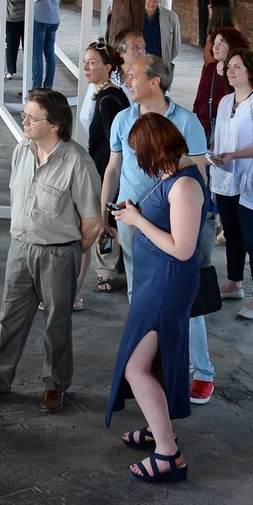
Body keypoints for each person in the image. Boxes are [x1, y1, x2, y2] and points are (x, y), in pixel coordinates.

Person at [0, 89, 101, 413]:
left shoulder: (77, 163)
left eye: (31, 117)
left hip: (58, 254)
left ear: (55, 125)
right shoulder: (22, 151)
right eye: (25, 114)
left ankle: (55, 385)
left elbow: (92, 223)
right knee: (10, 317)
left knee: (57, 323)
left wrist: (67, 252)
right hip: (20, 247)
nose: (23, 120)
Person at [101, 55, 218, 405]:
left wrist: (200, 219)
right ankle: (151, 365)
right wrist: (105, 210)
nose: (127, 81)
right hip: (131, 218)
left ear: (156, 82)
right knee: (140, 296)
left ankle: (202, 371)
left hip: (171, 221)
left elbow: (199, 174)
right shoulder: (123, 119)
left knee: (185, 300)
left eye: (133, 76)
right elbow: (113, 168)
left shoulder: (186, 122)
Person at [105, 112, 205, 484]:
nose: (137, 160)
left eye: (138, 153)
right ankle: (156, 426)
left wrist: (138, 221)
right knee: (155, 360)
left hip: (167, 282)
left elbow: (182, 248)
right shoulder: (171, 175)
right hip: (154, 279)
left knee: (137, 366)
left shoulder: (184, 186)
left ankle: (168, 453)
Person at [210, 49, 253, 320]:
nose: (231, 71)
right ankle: (234, 282)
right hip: (225, 177)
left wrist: (235, 155)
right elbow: (220, 137)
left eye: (237, 67)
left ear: (251, 71)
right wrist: (214, 153)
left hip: (249, 179)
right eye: (230, 67)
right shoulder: (226, 101)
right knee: (232, 233)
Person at [80, 41, 128, 297]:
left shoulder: (109, 99)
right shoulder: (104, 92)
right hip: (101, 165)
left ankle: (106, 271)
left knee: (106, 218)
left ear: (108, 67)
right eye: (85, 61)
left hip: (106, 168)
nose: (86, 67)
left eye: (92, 62)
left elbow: (115, 145)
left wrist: (109, 174)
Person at [192, 27, 248, 143]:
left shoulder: (238, 73)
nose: (216, 48)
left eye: (221, 44)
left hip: (227, 130)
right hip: (204, 127)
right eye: (215, 43)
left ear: (232, 46)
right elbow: (199, 99)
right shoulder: (210, 68)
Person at [31, 0, 60, 89]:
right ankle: (48, 86)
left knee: (36, 53)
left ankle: (36, 87)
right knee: (49, 53)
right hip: (54, 16)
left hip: (40, 16)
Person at [142, 0, 181, 65]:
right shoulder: (136, 16)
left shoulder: (171, 17)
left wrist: (164, 61)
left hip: (160, 66)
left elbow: (175, 47)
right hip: (139, 66)